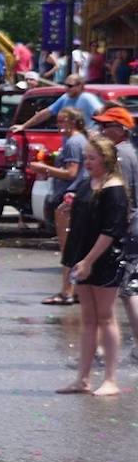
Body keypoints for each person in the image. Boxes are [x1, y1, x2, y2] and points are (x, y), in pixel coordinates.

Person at [57, 134, 127, 397]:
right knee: (87, 319)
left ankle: (110, 379)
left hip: (105, 259)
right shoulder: (89, 183)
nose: (86, 161)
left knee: (106, 317)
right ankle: (82, 379)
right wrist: (70, 208)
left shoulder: (114, 187)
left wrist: (88, 261)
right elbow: (85, 216)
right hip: (83, 257)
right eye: (85, 157)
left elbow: (111, 231)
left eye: (91, 158)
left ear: (106, 159)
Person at [91, 106, 138, 361]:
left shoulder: (121, 155)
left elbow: (124, 198)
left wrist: (112, 231)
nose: (101, 129)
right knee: (127, 289)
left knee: (126, 290)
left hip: (128, 229)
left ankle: (102, 350)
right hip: (130, 228)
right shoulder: (125, 152)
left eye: (107, 125)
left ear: (122, 129)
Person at [30, 107, 89, 306]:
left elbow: (71, 173)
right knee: (77, 247)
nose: (59, 125)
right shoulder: (78, 140)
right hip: (77, 195)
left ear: (74, 122)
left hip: (69, 197)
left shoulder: (73, 142)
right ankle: (79, 290)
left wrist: (44, 168)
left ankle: (67, 291)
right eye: (58, 121)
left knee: (68, 248)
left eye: (63, 121)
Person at [18, 74, 104, 131]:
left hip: (83, 144)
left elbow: (102, 114)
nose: (66, 88)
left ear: (80, 86)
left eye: (70, 86)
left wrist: (95, 131)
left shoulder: (87, 98)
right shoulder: (65, 98)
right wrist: (24, 126)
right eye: (65, 85)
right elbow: (46, 113)